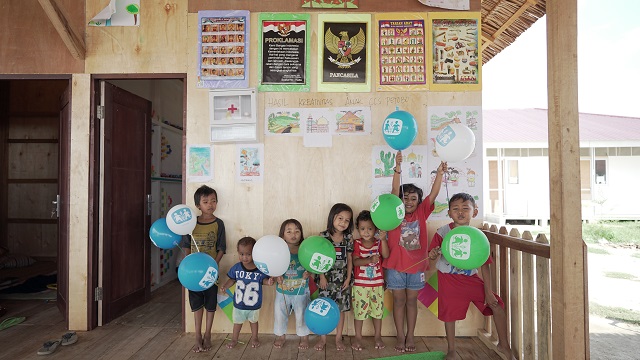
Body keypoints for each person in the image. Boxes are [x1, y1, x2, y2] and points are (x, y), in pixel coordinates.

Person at [428, 193, 515, 360]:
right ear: (449, 213)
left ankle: (504, 345)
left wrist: (488, 292)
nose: (460, 212)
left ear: (474, 212)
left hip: (471, 279)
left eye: (465, 208)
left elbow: (485, 264)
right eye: (455, 209)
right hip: (448, 280)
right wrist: (433, 253)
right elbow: (431, 255)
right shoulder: (442, 232)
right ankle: (452, 350)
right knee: (449, 315)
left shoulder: (478, 236)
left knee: (496, 305)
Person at [383, 151, 446, 352]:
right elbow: (394, 189)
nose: (408, 201)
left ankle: (410, 336)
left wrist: (439, 174)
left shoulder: (421, 212)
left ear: (419, 202)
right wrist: (397, 168)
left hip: (417, 266)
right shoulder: (394, 213)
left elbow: (434, 194)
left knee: (411, 301)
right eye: (404, 198)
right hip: (395, 267)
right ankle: (400, 336)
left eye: (413, 198)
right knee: (398, 301)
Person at [179, 185, 226, 353]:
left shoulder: (218, 223)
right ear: (198, 205)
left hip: (210, 273)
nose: (210, 204)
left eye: (213, 201)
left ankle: (208, 334)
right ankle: (197, 335)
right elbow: (186, 246)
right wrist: (189, 263)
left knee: (211, 303)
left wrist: (214, 264)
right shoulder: (191, 223)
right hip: (192, 274)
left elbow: (221, 247)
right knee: (196, 303)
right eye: (205, 201)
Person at [219, 236, 274, 349]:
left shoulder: (260, 269)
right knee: (237, 323)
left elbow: (263, 280)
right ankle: (234, 339)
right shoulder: (237, 267)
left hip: (254, 304)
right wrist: (225, 286)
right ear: (238, 253)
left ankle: (255, 337)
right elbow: (232, 280)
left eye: (248, 254)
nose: (245, 257)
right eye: (242, 254)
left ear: (255, 253)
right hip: (239, 303)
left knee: (253, 321)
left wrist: (268, 282)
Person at [314, 203, 354, 351]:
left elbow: (349, 259)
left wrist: (348, 278)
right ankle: (322, 338)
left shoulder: (348, 237)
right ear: (332, 218)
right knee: (323, 308)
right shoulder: (323, 236)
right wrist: (322, 276)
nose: (343, 222)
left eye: (347, 220)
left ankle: (338, 338)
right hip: (326, 281)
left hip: (343, 281)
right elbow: (317, 258)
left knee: (341, 310)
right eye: (340, 218)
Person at [351, 210, 390, 351]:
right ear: (358, 229)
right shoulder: (357, 244)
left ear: (376, 229)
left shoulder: (379, 243)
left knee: (377, 313)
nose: (366, 232)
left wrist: (384, 240)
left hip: (377, 285)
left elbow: (386, 254)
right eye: (362, 229)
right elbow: (355, 262)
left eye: (370, 228)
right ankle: (358, 338)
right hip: (361, 285)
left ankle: (378, 336)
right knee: (359, 314)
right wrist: (368, 260)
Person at [273, 219, 311, 350]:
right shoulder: (279, 250)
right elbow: (272, 266)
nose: (293, 234)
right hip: (282, 290)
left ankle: (304, 336)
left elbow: (312, 265)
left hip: (301, 291)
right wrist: (275, 275)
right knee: (280, 313)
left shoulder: (304, 249)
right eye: (289, 231)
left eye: (297, 231)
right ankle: (280, 335)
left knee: (302, 314)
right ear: (282, 235)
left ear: (301, 233)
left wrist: (309, 273)